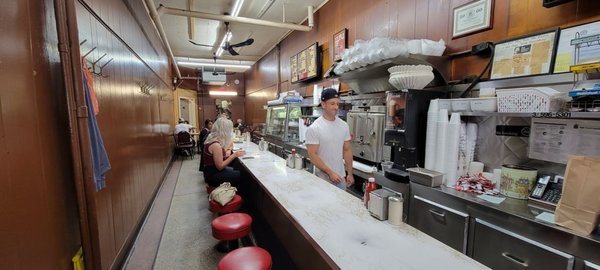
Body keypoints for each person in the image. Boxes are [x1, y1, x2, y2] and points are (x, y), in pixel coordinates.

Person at [305, 88, 354, 190]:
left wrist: (349, 173)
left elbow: (347, 149)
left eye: (337, 104)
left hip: (340, 178)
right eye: (332, 103)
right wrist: (330, 173)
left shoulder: (344, 125)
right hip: (322, 180)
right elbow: (312, 155)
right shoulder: (315, 128)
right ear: (323, 104)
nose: (336, 107)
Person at [202, 117, 245, 188]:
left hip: (209, 171)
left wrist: (229, 148)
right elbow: (220, 167)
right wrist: (234, 155)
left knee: (236, 169)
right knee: (241, 174)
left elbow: (221, 153)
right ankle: (236, 194)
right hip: (213, 174)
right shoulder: (216, 145)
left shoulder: (212, 139)